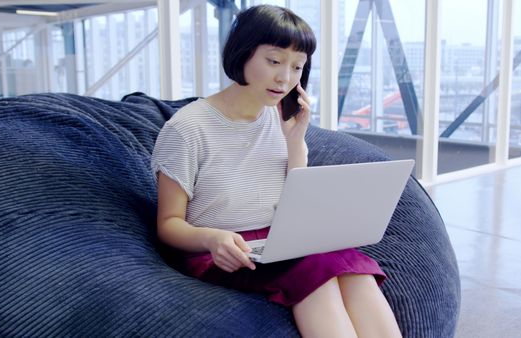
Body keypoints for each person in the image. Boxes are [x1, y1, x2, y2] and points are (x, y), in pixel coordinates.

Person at [151, 5, 402, 337]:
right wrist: (213, 238)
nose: (286, 78)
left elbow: (297, 203)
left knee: (353, 267)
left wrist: (296, 141)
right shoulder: (187, 129)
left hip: (278, 242)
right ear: (243, 53)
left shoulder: (281, 118)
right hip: (222, 252)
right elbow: (168, 225)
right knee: (318, 270)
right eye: (274, 61)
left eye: (297, 66)